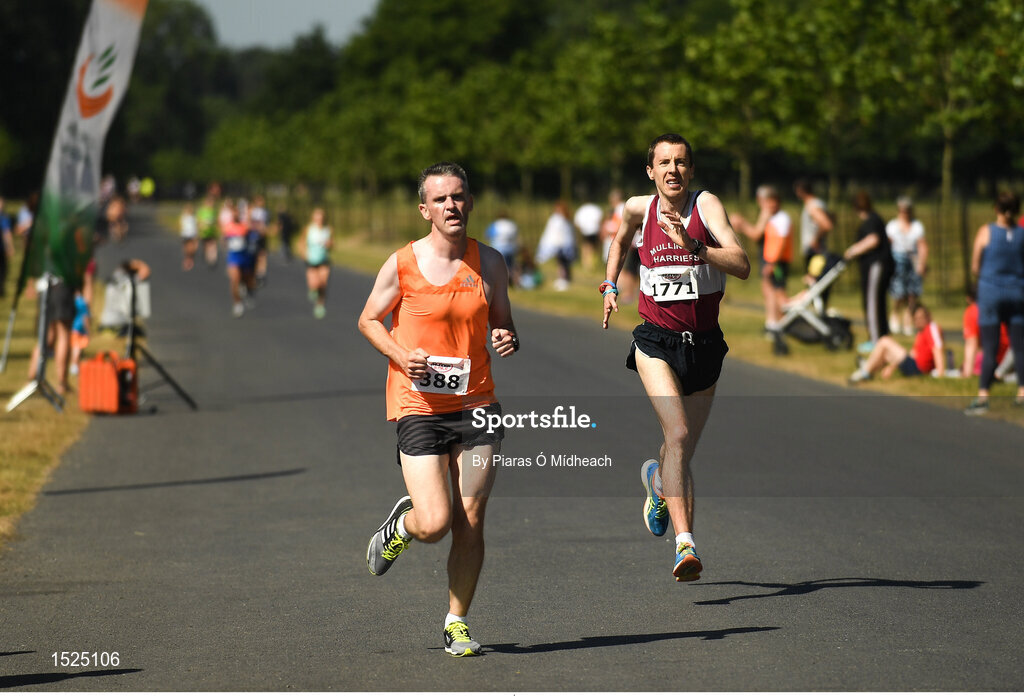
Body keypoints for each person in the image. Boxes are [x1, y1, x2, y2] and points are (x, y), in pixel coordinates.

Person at [358, 162, 519, 657]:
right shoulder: (402, 264)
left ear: (469, 201)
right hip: (419, 404)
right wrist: (403, 355)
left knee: (471, 516)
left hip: (477, 402)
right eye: (441, 199)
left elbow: (503, 322)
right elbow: (368, 320)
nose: (452, 205)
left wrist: (505, 336)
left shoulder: (489, 263)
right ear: (424, 209)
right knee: (435, 523)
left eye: (459, 196)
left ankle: (457, 622)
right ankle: (402, 527)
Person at [602, 133, 750, 581]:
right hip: (655, 341)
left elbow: (742, 264)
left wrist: (695, 248)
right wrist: (609, 285)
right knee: (679, 431)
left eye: (681, 162)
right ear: (651, 172)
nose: (672, 170)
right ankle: (685, 544)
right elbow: (620, 241)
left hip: (703, 344)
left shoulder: (707, 208)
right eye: (663, 163)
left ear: (691, 169)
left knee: (678, 454)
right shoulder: (636, 208)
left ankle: (656, 484)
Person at [965, 192, 1024, 414]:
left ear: (996, 208)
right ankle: (1022, 392)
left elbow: (974, 265)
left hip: (991, 292)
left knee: (990, 347)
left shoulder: (986, 231)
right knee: (1019, 346)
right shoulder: (1021, 234)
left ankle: (983, 396)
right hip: (1017, 293)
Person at [732, 185, 793, 335]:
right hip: (770, 259)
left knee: (778, 293)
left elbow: (759, 235)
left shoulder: (779, 218)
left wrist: (742, 225)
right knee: (769, 291)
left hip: (776, 261)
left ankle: (780, 323)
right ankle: (774, 323)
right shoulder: (773, 217)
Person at [843, 191, 894, 351]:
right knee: (878, 302)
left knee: (872, 302)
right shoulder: (875, 219)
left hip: (876, 266)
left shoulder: (871, 220)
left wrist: (853, 250)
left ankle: (875, 339)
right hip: (879, 265)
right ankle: (883, 337)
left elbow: (873, 240)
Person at [848, 304, 946, 383]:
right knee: (885, 353)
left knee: (885, 341)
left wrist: (940, 372)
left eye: (921, 318)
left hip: (919, 369)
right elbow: (914, 353)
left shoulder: (932, 328)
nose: (918, 321)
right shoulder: (921, 332)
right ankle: (867, 372)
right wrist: (891, 367)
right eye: (916, 319)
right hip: (914, 365)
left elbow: (938, 348)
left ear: (928, 316)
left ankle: (864, 371)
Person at [886, 196, 929, 336]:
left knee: (912, 293)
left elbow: (922, 245)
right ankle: (894, 314)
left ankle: (907, 319)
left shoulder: (917, 226)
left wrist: (921, 263)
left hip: (912, 259)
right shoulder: (892, 226)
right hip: (897, 259)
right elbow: (888, 245)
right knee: (899, 292)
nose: (905, 213)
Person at [961, 285, 1010, 379]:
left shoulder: (972, 311)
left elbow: (972, 344)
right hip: (1013, 357)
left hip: (996, 361)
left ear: (968, 299)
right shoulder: (999, 307)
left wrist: (967, 373)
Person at [221, 201, 256, 318]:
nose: (235, 215)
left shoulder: (245, 227)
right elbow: (224, 241)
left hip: (245, 257)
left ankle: (248, 290)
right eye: (233, 213)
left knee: (246, 279)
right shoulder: (228, 227)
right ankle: (237, 303)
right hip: (233, 257)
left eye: (237, 213)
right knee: (234, 280)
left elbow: (253, 237)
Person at [535, 201, 576, 290]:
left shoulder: (560, 219)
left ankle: (563, 279)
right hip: (562, 244)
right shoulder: (564, 219)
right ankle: (562, 279)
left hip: (562, 245)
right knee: (561, 263)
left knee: (563, 263)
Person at [300, 207, 332, 319]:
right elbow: (301, 243)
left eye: (321, 217)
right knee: (314, 284)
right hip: (312, 261)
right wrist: (304, 254)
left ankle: (320, 305)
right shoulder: (308, 229)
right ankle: (313, 291)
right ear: (313, 218)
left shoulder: (327, 229)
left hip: (324, 260)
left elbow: (332, 244)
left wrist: (329, 244)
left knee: (323, 284)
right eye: (317, 217)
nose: (319, 219)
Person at [794, 179, 833, 268]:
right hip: (817, 248)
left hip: (814, 250)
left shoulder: (812, 205)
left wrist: (815, 240)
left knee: (814, 280)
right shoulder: (819, 203)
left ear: (800, 191)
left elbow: (827, 225)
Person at [484, 209, 518, 284]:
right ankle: (515, 283)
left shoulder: (495, 224)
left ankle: (500, 283)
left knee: (499, 267)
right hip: (511, 248)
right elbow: (515, 236)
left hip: (499, 248)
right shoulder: (511, 224)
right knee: (511, 266)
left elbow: (487, 235)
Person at [574, 199, 604, 272]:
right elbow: (601, 220)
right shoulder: (596, 208)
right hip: (595, 230)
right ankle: (592, 264)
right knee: (594, 248)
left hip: (585, 231)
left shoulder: (582, 209)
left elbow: (576, 222)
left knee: (585, 247)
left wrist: (581, 230)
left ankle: (586, 264)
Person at [250, 195, 270, 286]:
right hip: (254, 236)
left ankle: (261, 274)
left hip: (262, 236)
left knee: (263, 254)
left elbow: (267, 224)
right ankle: (254, 273)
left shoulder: (266, 212)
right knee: (254, 256)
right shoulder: (253, 211)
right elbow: (251, 223)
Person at [197, 193, 219, 268]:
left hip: (212, 232)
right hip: (204, 233)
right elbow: (199, 221)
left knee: (213, 246)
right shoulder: (202, 211)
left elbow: (216, 221)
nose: (211, 204)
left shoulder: (214, 211)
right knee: (206, 246)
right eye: (210, 202)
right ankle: (207, 257)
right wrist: (201, 228)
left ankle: (212, 259)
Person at [180, 203, 198, 271]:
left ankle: (190, 260)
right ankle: (187, 260)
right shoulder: (184, 217)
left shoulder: (193, 218)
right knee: (186, 248)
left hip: (191, 234)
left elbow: (195, 226)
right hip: (185, 234)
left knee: (191, 248)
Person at [0, 197, 12, 297]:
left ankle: (1, 289)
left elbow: (7, 233)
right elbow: (6, 233)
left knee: (3, 269)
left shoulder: (4, 217)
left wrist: (9, 247)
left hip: (2, 249)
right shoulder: (3, 218)